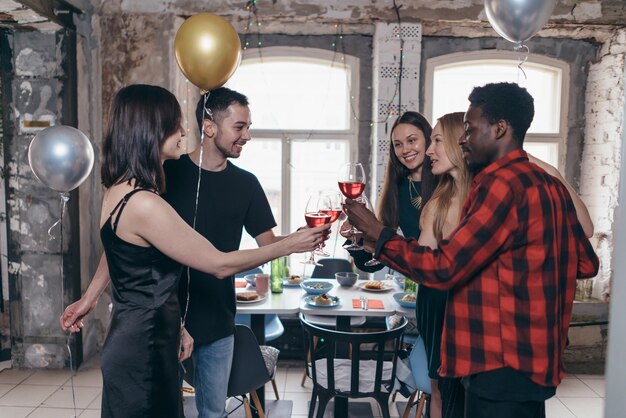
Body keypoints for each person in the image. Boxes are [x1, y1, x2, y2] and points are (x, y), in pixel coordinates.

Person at [59, 84, 328, 418]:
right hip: (145, 346)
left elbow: (126, 253)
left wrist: (172, 325)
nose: (185, 130)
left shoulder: (121, 190)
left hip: (156, 333)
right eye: (175, 124)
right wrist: (292, 244)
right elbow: (217, 263)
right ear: (151, 130)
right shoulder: (147, 200)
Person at [345, 82, 599, 418]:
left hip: (499, 361)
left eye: (469, 129)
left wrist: (378, 233)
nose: (462, 138)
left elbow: (444, 267)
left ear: (499, 129)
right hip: (537, 359)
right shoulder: (548, 185)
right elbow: (585, 262)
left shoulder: (501, 185)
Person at [163, 87, 303, 418]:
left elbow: (268, 243)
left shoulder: (247, 184)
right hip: (167, 317)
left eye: (248, 127)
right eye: (240, 127)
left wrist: (300, 237)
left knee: (212, 412)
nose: (247, 136)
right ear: (210, 126)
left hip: (218, 319)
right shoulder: (168, 175)